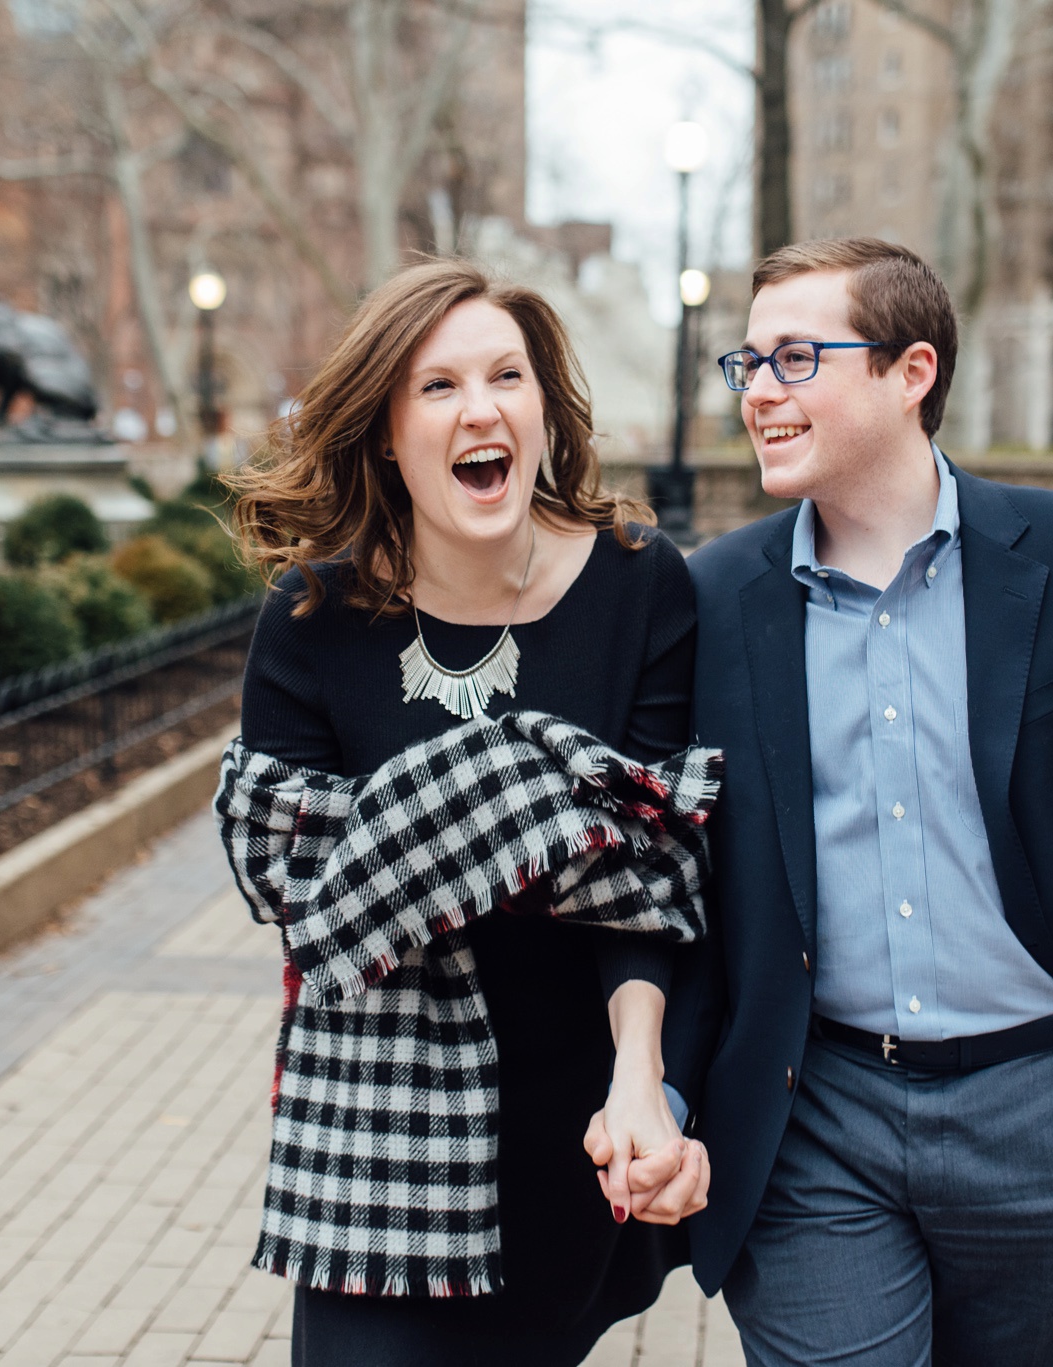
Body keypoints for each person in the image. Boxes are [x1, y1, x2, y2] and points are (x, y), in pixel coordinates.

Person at [682, 237, 1053, 1365]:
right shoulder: (710, 595)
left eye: (794, 357)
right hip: (814, 1113)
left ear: (910, 372)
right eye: (744, 361)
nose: (756, 389)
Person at [218, 259, 717, 1367]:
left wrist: (642, 1074)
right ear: (387, 433)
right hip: (381, 1128)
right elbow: (308, 897)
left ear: (543, 410)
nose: (480, 407)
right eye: (437, 386)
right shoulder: (313, 614)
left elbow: (656, 873)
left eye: (507, 375)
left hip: (574, 1117)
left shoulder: (640, 584)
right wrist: (546, 785)